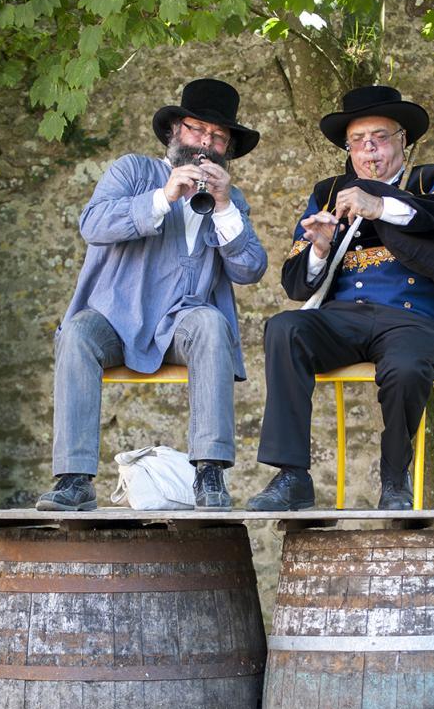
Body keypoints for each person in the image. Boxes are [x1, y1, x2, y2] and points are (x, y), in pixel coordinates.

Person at [36, 78, 267, 512]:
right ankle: (74, 480)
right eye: (198, 130)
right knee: (77, 333)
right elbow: (93, 225)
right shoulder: (132, 170)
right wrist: (163, 197)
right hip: (115, 320)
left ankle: (209, 473)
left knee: (213, 323)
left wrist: (222, 207)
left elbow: (250, 268)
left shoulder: (230, 198)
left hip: (182, 322)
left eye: (218, 137)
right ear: (176, 130)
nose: (206, 142)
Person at [248, 85, 434, 512]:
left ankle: (395, 481)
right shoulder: (329, 191)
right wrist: (318, 248)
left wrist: (380, 207)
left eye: (380, 136)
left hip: (414, 320)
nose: (369, 148)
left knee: (407, 366)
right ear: (349, 149)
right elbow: (295, 285)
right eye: (358, 140)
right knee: (284, 328)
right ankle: (292, 476)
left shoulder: (428, 180)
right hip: (343, 320)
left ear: (402, 141)